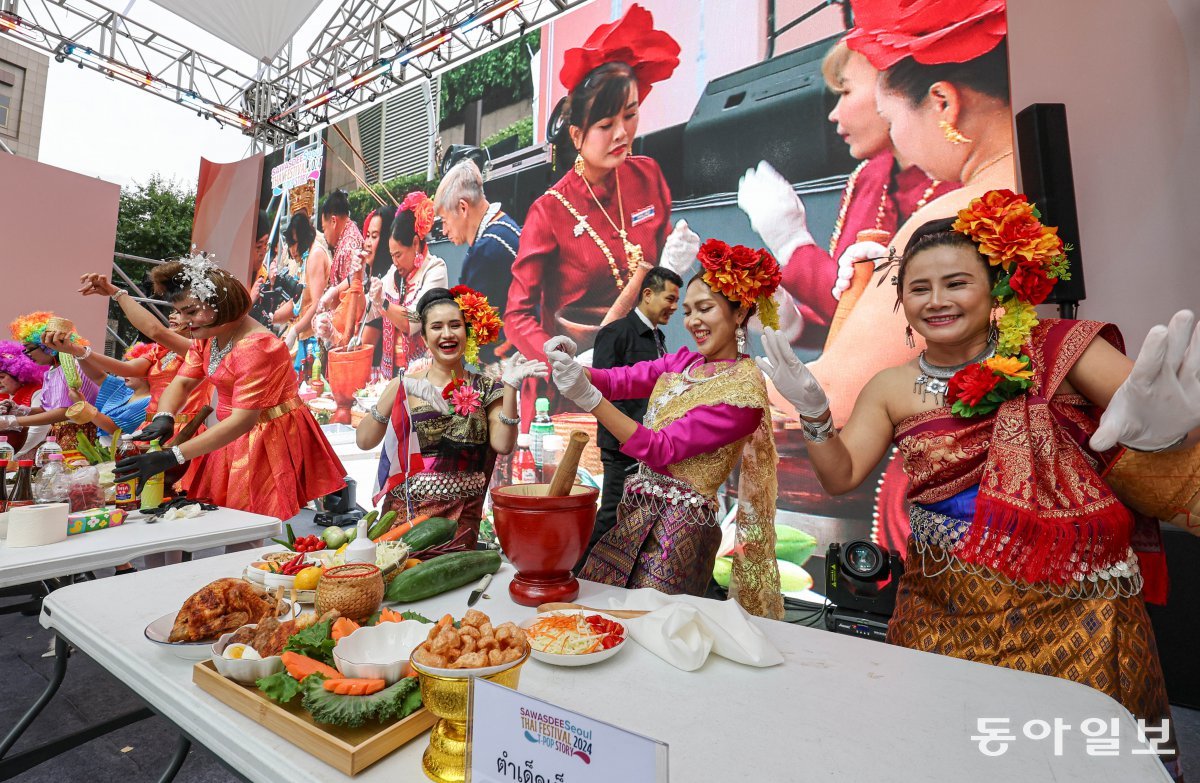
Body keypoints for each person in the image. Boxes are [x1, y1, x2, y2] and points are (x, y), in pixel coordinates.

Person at [759, 194, 1196, 779]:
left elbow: (1149, 427)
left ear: (996, 290)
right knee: (947, 753)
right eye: (919, 289)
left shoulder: (1059, 350)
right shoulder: (891, 386)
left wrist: (1169, 436)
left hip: (1074, 610)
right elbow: (840, 477)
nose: (937, 301)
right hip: (945, 610)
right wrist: (814, 414)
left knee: (1078, 763)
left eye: (956, 282)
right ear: (902, 301)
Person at [548, 238, 785, 619]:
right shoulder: (685, 362)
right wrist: (573, 367)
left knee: (651, 630)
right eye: (687, 311)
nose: (691, 321)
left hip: (682, 532)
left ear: (739, 313)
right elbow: (621, 380)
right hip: (636, 512)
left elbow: (662, 449)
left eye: (704, 309)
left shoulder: (744, 391)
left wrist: (589, 399)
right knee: (602, 617)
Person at [805, 0, 1015, 426]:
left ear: (942, 103)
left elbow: (832, 399)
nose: (895, 135)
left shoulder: (952, 217)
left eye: (891, 117)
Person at [506, 4, 699, 419]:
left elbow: (660, 287)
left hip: (643, 373)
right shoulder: (549, 211)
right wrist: (557, 357)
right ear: (577, 135)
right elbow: (517, 314)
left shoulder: (646, 176)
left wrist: (675, 270)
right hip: (577, 389)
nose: (623, 133)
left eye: (629, 116)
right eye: (606, 124)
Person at [736, 39, 956, 348]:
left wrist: (792, 245)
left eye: (846, 92)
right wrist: (794, 324)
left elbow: (899, 326)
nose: (833, 114)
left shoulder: (954, 182)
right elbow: (851, 320)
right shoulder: (870, 175)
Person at [113, 254, 346, 521]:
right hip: (232, 431)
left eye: (191, 311)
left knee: (250, 522)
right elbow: (184, 381)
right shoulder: (208, 335)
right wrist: (165, 416)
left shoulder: (257, 346)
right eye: (180, 312)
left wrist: (173, 455)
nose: (185, 321)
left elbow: (243, 421)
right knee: (224, 517)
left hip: (266, 436)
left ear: (220, 304)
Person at [356, 286, 547, 550]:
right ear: (423, 337)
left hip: (460, 521)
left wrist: (511, 387)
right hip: (404, 519)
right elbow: (364, 441)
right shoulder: (405, 385)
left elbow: (503, 445)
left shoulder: (489, 389)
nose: (447, 334)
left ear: (467, 332)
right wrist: (396, 390)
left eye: (455, 325)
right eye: (436, 327)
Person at [584, 266, 682, 567]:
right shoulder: (615, 333)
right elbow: (603, 392)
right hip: (622, 445)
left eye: (678, 301)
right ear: (648, 294)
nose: (675, 307)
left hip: (651, 446)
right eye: (670, 298)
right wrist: (631, 435)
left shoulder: (658, 339)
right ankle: (579, 573)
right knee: (613, 512)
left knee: (641, 515)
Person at [75, 273, 214, 435]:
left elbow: (155, 330)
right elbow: (124, 369)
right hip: (150, 428)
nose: (172, 315)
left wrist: (116, 292)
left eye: (184, 311)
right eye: (174, 311)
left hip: (181, 431)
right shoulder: (160, 350)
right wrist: (79, 351)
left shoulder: (199, 348)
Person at [434, 160, 522, 366]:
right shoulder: (505, 225)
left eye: (444, 220)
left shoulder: (485, 252)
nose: (444, 231)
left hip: (511, 362)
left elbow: (473, 334)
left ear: (463, 208)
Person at [367, 192, 449, 377]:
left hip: (425, 374)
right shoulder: (395, 273)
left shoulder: (435, 269)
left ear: (415, 243)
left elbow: (413, 321)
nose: (395, 262)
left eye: (399, 255)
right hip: (391, 374)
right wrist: (356, 283)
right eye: (392, 256)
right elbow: (369, 309)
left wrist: (383, 303)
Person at [2, 312, 100, 463]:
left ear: (47, 346)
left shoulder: (73, 366)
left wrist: (15, 421)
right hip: (60, 436)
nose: (27, 354)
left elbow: (65, 412)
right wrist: (21, 410)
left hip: (80, 436)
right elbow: (48, 409)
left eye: (29, 348)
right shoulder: (52, 370)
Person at [316, 204, 397, 363]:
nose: (366, 242)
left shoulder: (382, 285)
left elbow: (359, 347)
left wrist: (332, 336)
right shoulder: (367, 277)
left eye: (374, 236)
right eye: (367, 235)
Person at [0, 339, 48, 458]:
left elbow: (39, 428)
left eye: (1, 377)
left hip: (27, 456)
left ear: (19, 375)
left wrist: (10, 454)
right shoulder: (3, 397)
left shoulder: (37, 392)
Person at [320, 190, 364, 289]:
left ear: (333, 221)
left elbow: (351, 292)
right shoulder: (347, 236)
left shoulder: (349, 247)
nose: (324, 235)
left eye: (324, 229)